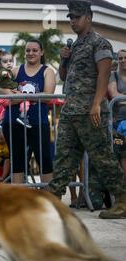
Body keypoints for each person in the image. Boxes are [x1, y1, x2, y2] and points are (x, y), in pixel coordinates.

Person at [46, 0, 126, 219]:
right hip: (71, 111)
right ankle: (52, 200)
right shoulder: (75, 46)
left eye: (77, 17)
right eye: (70, 17)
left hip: (91, 112)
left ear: (89, 17)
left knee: (103, 158)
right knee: (64, 158)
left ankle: (122, 199)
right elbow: (64, 77)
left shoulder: (99, 43)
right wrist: (63, 60)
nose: (73, 21)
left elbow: (103, 75)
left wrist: (95, 104)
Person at [0, 39, 56, 184]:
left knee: (44, 160)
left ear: (41, 52)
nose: (31, 53)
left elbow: (48, 95)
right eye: (28, 50)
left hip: (37, 121)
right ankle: (18, 202)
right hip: (13, 121)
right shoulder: (16, 70)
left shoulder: (47, 71)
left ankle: (49, 198)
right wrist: (9, 93)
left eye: (34, 50)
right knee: (17, 162)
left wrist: (21, 97)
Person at [0, 49, 31, 128]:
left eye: (10, 61)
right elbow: (2, 73)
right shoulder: (3, 71)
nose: (8, 63)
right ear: (0, 64)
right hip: (7, 97)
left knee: (5, 109)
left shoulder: (10, 71)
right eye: (5, 62)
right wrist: (5, 74)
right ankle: (22, 116)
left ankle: (1, 122)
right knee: (26, 101)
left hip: (4, 98)